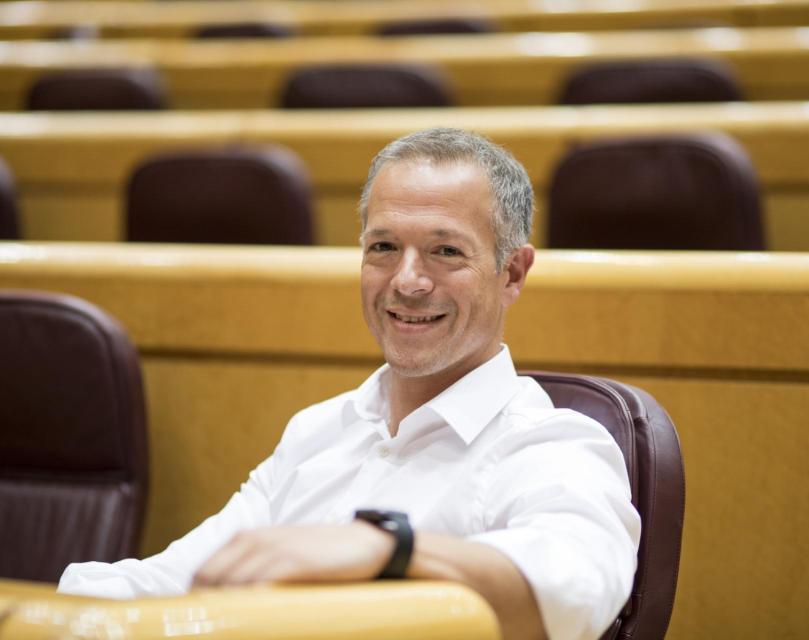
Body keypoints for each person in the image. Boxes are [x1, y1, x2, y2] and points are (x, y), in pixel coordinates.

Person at [58, 128, 640, 640]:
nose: (407, 282)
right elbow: (179, 579)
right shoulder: (318, 430)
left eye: (445, 251)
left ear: (510, 273)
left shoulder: (554, 443)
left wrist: (390, 550)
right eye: (383, 247)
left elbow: (577, 590)